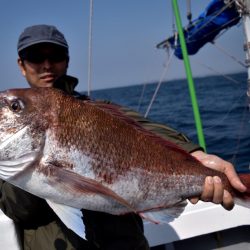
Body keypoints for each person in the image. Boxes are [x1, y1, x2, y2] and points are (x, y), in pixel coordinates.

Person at [0, 24, 246, 250]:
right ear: (21, 65)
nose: (46, 65)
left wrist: (196, 156)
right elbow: (16, 209)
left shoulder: (99, 110)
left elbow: (148, 129)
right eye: (35, 58)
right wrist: (39, 168)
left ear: (66, 61)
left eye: (55, 56)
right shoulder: (7, 162)